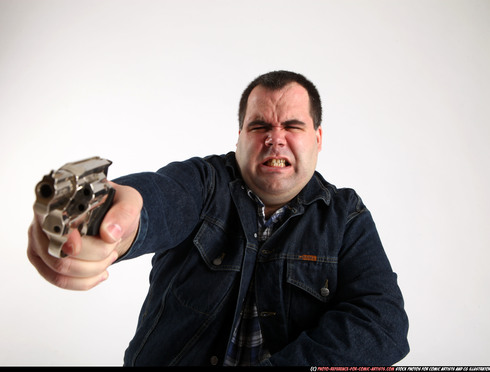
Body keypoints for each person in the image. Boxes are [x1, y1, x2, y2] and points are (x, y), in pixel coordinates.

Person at [27, 70, 410, 366]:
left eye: (292, 126)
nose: (275, 138)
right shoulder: (204, 182)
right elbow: (161, 199)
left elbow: (384, 323)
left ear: (318, 139)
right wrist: (113, 215)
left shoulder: (345, 216)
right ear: (239, 136)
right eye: (259, 126)